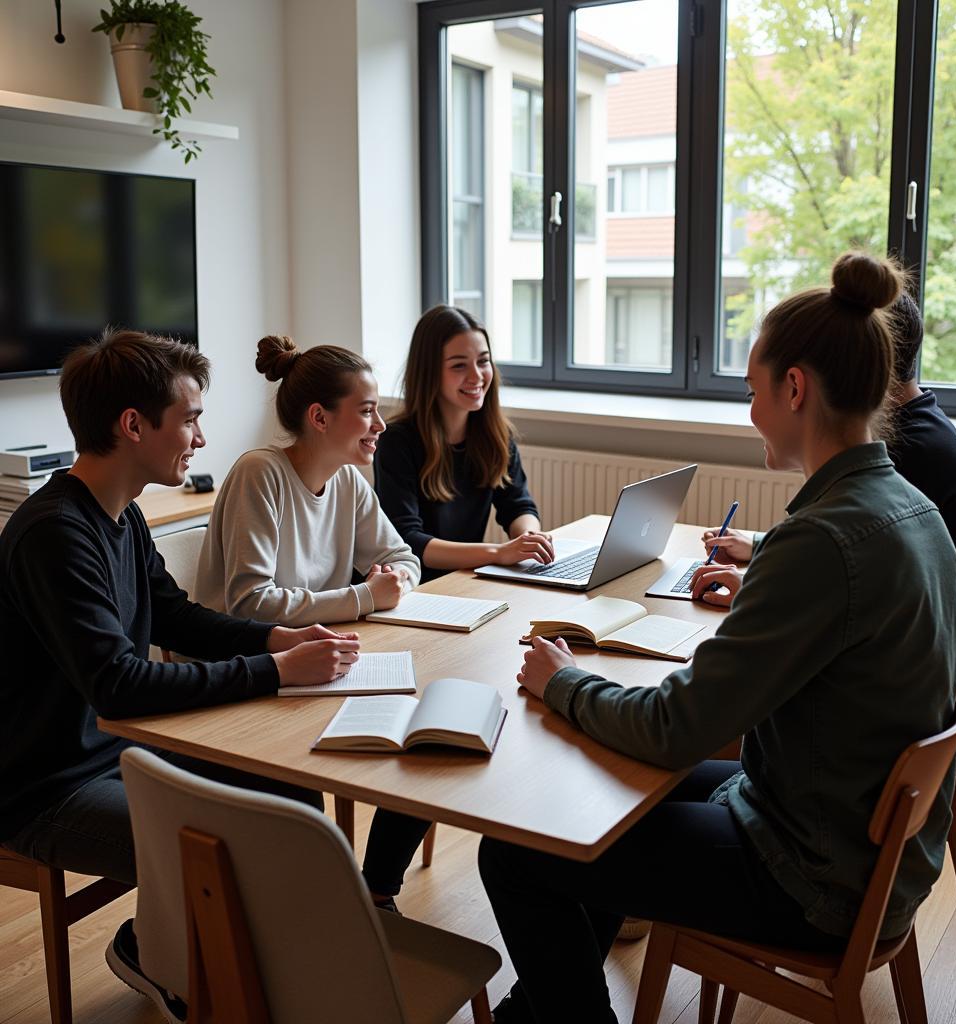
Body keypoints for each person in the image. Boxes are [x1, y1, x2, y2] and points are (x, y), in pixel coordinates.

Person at [477, 253, 956, 1024]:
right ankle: (539, 1009)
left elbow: (678, 730)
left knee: (514, 851)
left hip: (810, 874)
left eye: (751, 391)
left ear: (795, 388)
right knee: (594, 805)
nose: (749, 411)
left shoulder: (821, 543)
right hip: (860, 844)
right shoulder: (911, 507)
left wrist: (561, 681)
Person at [0, 329, 358, 1022]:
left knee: (289, 793)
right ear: (133, 425)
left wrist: (274, 635)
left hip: (120, 753)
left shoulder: (122, 515)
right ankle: (196, 970)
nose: (200, 436)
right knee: (252, 844)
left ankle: (183, 955)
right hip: (46, 787)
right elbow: (121, 685)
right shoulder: (52, 534)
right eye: (189, 418)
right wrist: (276, 670)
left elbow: (177, 618)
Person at [194, 334, 427, 911]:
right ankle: (322, 911)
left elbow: (405, 560)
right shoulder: (260, 475)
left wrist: (382, 588)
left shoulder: (348, 481)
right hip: (249, 672)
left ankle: (375, 893)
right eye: (367, 410)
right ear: (320, 417)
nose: (380, 424)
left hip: (318, 661)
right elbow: (251, 602)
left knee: (430, 733)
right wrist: (363, 597)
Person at [699, 292, 956, 682]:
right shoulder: (926, 429)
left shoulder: (905, 450)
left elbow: (845, 562)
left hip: (905, 677)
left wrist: (759, 596)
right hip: (920, 680)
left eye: (754, 391)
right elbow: (866, 555)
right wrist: (763, 548)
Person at [373, 304, 554, 583]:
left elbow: (518, 505)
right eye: (459, 365)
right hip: (415, 587)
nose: (477, 376)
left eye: (483, 361)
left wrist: (529, 539)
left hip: (463, 580)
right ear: (429, 372)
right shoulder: (397, 440)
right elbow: (408, 541)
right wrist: (498, 552)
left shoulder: (495, 435)